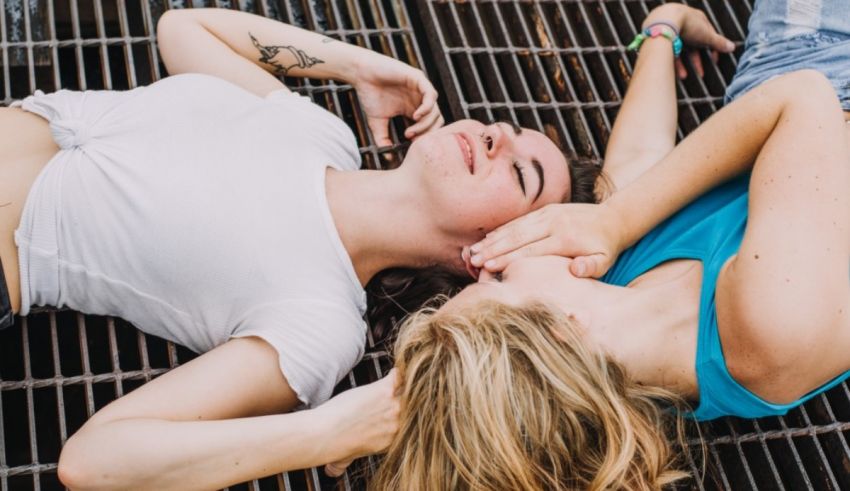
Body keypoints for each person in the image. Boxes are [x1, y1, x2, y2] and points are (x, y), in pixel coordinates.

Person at [0, 7, 600, 490]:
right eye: (509, 128)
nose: (497, 137)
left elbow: (94, 459)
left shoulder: (321, 321)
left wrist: (328, 432)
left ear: (494, 248)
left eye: (523, 175)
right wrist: (353, 65)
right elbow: (184, 28)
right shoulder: (322, 134)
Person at [374, 2, 850, 489]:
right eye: (499, 277)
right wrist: (617, 219)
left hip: (794, 53)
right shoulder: (769, 332)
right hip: (810, 79)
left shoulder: (607, 283)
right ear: (563, 330)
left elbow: (643, 154)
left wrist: (661, 30)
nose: (501, 253)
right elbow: (806, 100)